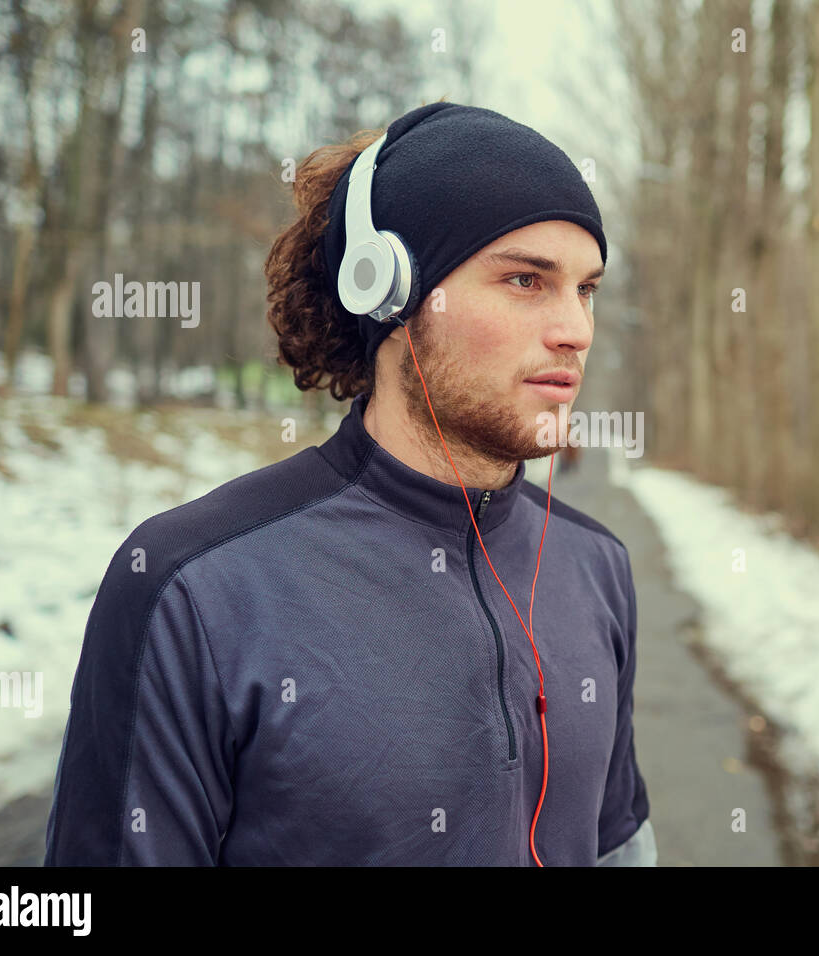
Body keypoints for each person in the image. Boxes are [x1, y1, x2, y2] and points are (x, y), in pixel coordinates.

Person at [44, 101, 655, 867]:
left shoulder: (597, 565)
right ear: (389, 292)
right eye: (527, 280)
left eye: (586, 289)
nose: (576, 329)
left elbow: (619, 849)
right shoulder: (193, 587)